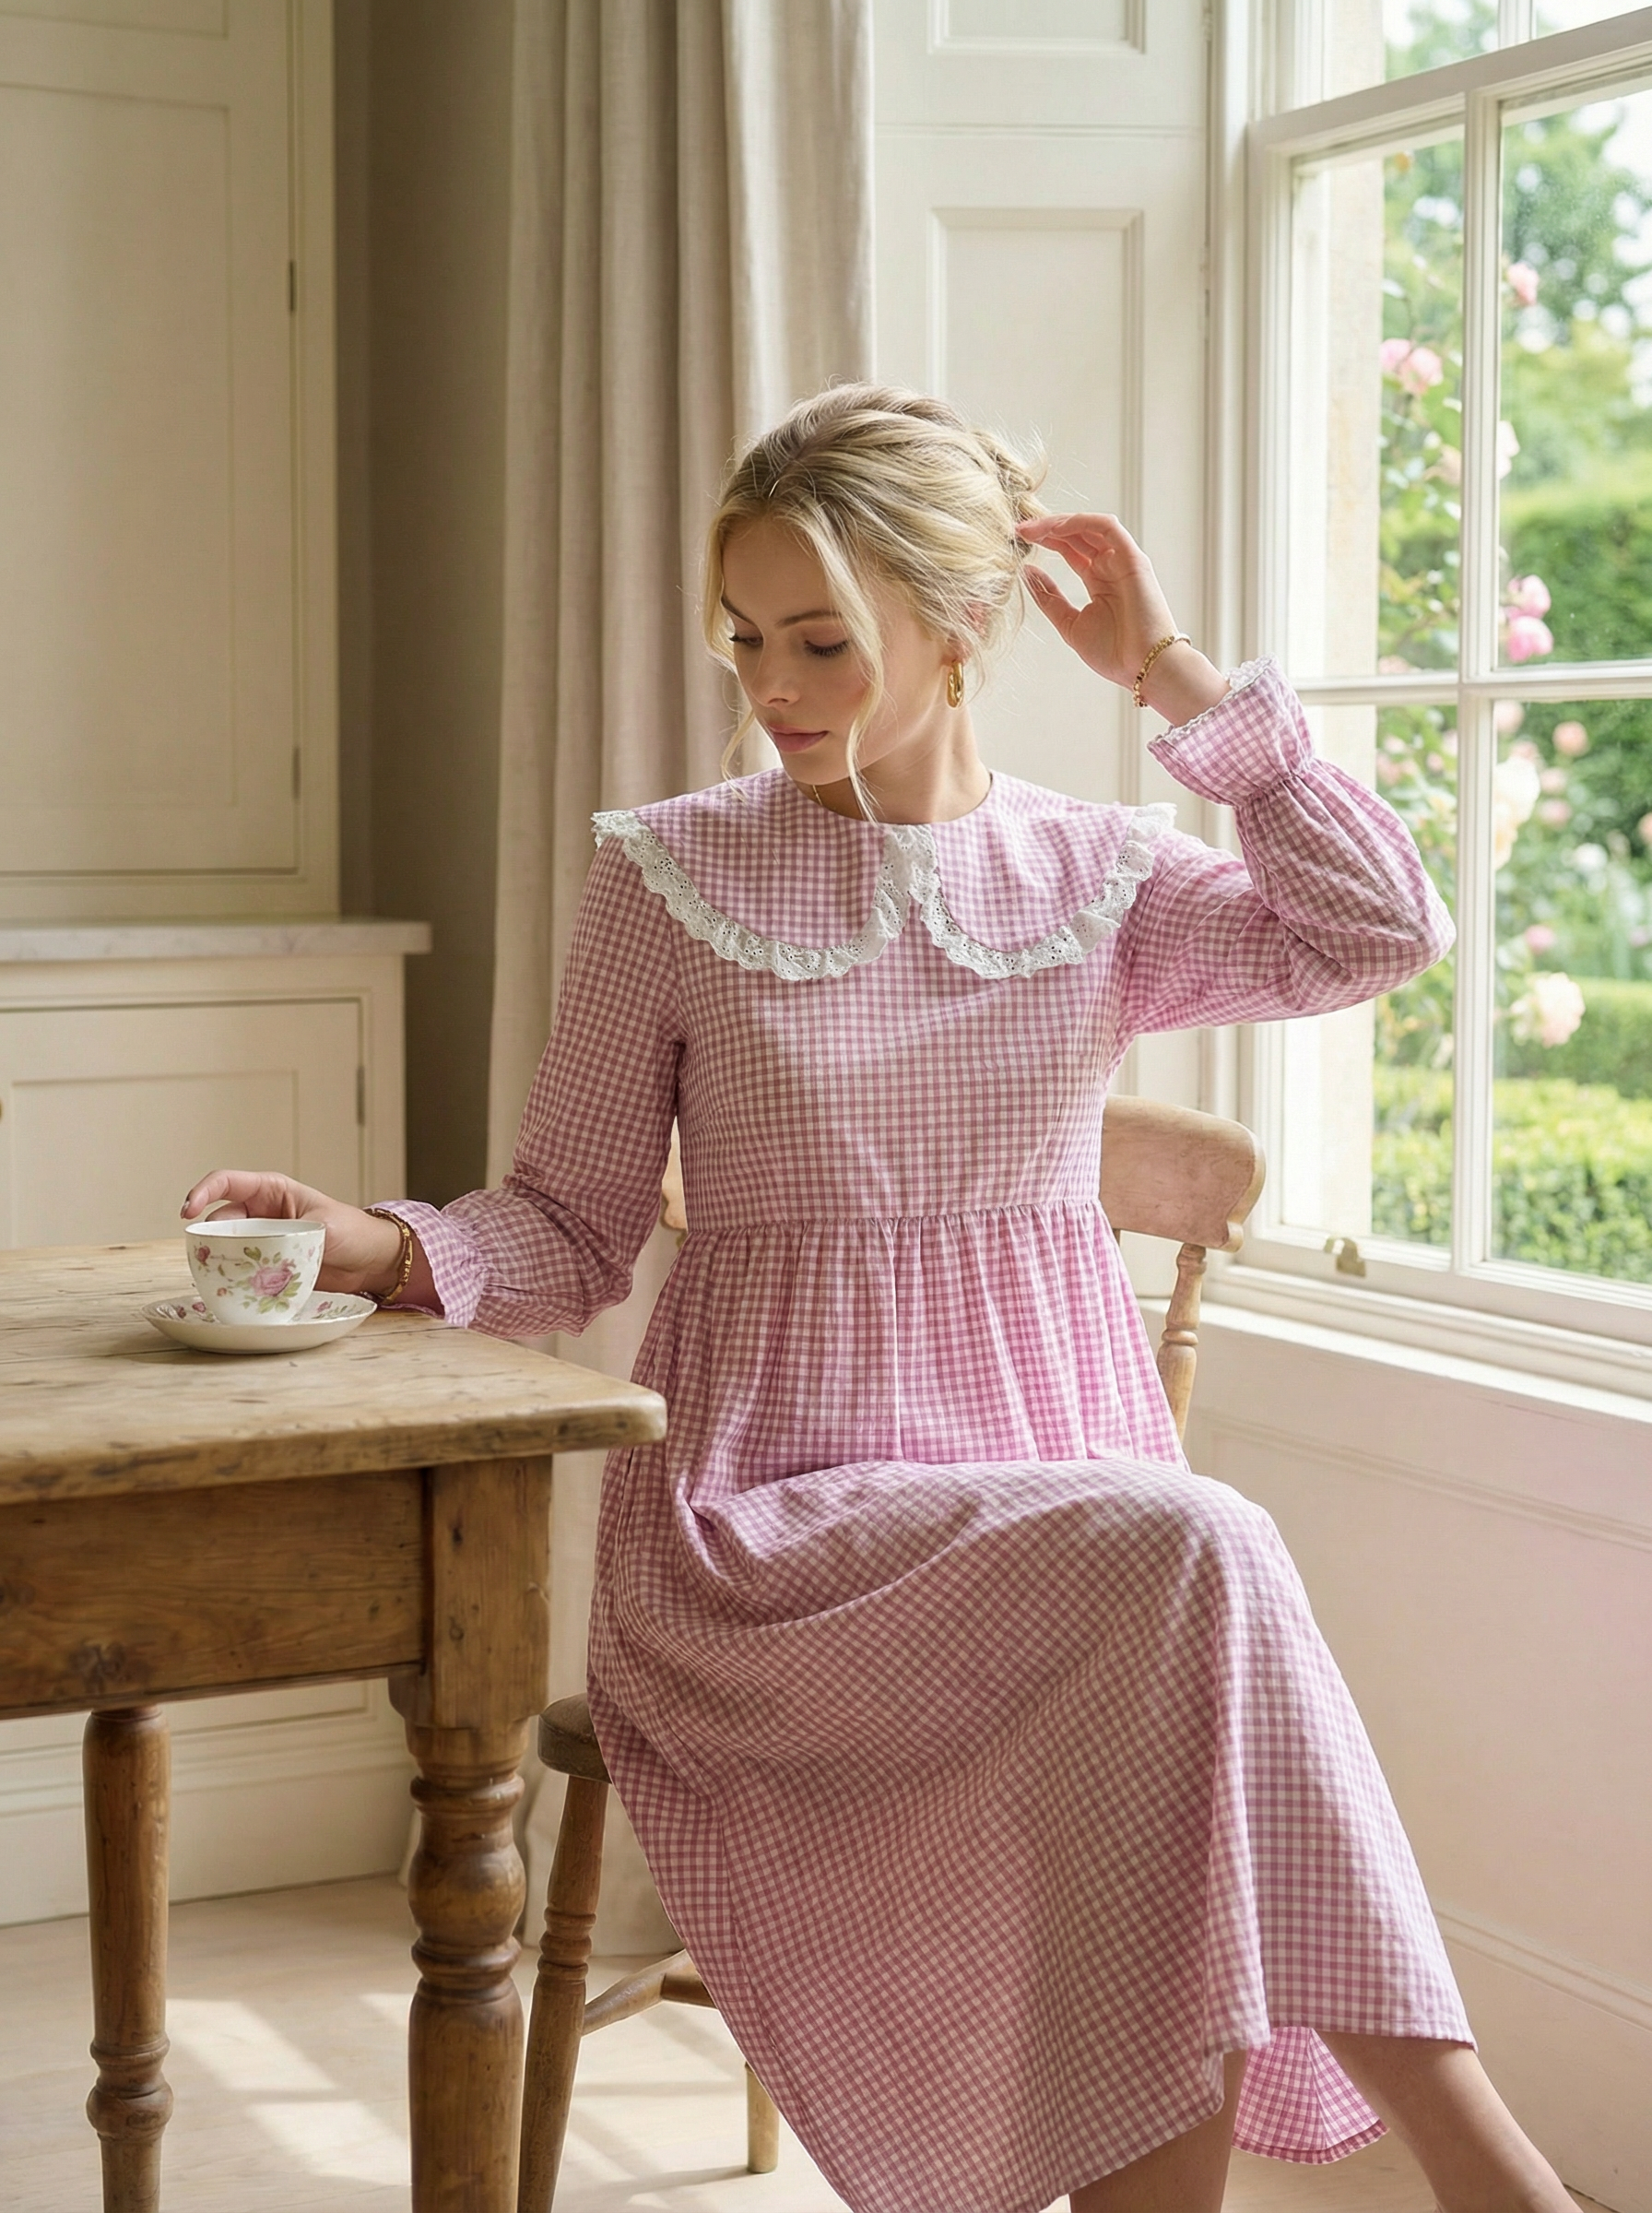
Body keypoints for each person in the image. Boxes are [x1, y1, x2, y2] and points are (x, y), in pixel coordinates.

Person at [184, 385, 1572, 2213]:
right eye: (746, 638)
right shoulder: (670, 876)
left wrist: (1169, 676)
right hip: (766, 1533)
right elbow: (570, 1228)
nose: (774, 685)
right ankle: (1502, 2183)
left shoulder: (1093, 878)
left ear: (964, 627)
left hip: (1061, 1510)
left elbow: (1377, 930)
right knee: (1201, 1550)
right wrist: (372, 1245)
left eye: (821, 640)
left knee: (1173, 1646)